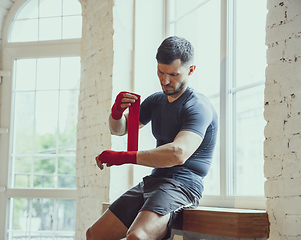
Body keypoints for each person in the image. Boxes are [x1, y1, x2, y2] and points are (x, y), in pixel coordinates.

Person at [86, 36, 218, 240]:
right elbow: (121, 129)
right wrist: (116, 113)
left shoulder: (198, 106)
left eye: (173, 74)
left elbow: (178, 153)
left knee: (137, 237)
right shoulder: (156, 101)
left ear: (190, 70)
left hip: (183, 185)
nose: (165, 81)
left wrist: (124, 157)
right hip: (154, 181)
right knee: (95, 234)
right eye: (160, 72)